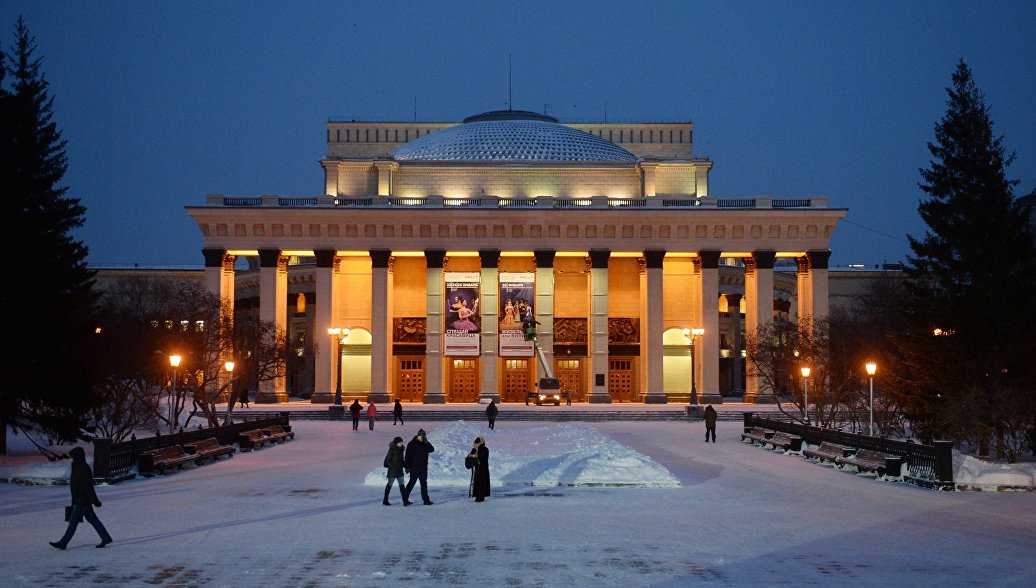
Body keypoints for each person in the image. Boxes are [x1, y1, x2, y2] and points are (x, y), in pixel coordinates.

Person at [50, 447, 113, 550]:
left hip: (81, 500)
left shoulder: (83, 468)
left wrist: (95, 500)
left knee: (73, 522)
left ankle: (63, 543)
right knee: (93, 519)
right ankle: (105, 537)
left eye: (73, 457)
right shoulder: (78, 466)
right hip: (80, 499)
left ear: (78, 457)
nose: (72, 459)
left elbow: (88, 486)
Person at [404, 429, 435, 505]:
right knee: (411, 483)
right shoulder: (411, 444)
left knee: (424, 484)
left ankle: (426, 500)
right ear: (418, 436)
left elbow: (432, 450)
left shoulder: (425, 443)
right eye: (421, 435)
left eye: (424, 435)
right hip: (414, 467)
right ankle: (405, 499)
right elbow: (407, 456)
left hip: (423, 468)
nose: (422, 437)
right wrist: (407, 467)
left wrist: (427, 442)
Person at [383, 437, 409, 506]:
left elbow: (401, 461)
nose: (401, 443)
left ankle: (405, 501)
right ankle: (385, 500)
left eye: (402, 442)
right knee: (389, 485)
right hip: (392, 471)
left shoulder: (401, 450)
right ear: (396, 443)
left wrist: (406, 466)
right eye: (400, 442)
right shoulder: (392, 450)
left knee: (402, 485)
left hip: (399, 471)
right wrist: (394, 467)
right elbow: (388, 461)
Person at [465, 437, 491, 502]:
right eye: (475, 443)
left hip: (482, 470)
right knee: (476, 483)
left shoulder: (485, 449)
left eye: (477, 443)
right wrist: (470, 456)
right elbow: (470, 459)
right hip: (476, 470)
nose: (476, 445)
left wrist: (476, 456)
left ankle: (481, 497)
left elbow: (481, 459)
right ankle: (477, 496)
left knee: (481, 483)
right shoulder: (474, 449)